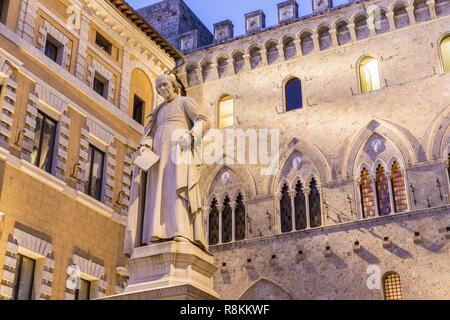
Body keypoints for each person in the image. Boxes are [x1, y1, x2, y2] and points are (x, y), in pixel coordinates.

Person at [137, 73, 210, 250]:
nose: (163, 89)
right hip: (157, 157)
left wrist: (192, 135)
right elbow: (150, 133)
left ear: (173, 85)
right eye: (159, 88)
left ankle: (181, 231)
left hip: (178, 151)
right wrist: (145, 145)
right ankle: (156, 233)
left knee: (176, 190)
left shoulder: (184, 102)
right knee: (158, 194)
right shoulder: (158, 110)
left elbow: (204, 120)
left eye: (165, 85)